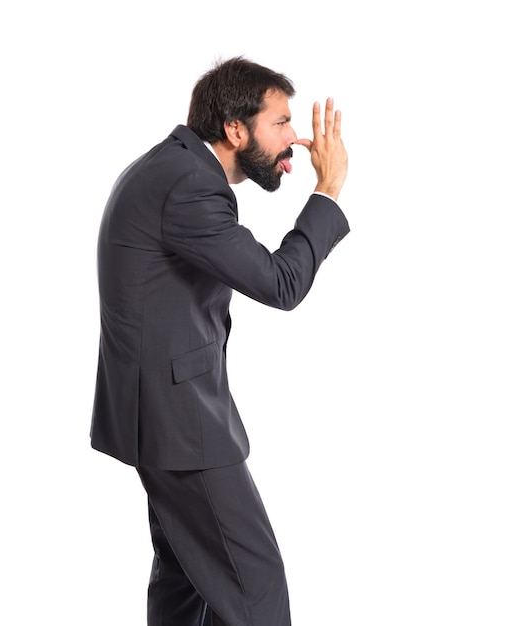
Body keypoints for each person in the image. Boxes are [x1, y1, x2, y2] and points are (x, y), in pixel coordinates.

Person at [90, 56, 349, 626]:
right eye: (280, 123)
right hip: (180, 424)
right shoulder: (187, 186)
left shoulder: (170, 168)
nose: (296, 139)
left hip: (154, 415)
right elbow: (281, 283)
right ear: (235, 129)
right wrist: (328, 190)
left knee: (185, 576)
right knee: (256, 588)